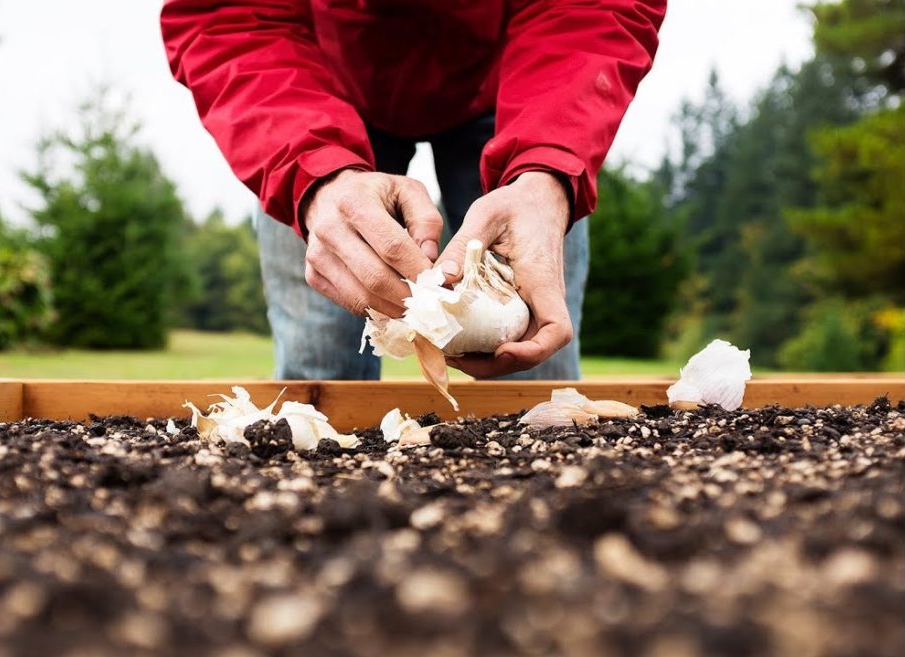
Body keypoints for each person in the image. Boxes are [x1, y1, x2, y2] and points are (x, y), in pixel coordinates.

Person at [161, 1, 665, 380]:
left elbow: (593, 8)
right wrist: (311, 169)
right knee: (318, 382)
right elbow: (229, 14)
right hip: (314, 93)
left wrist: (546, 166)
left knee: (536, 379)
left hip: (520, 87)